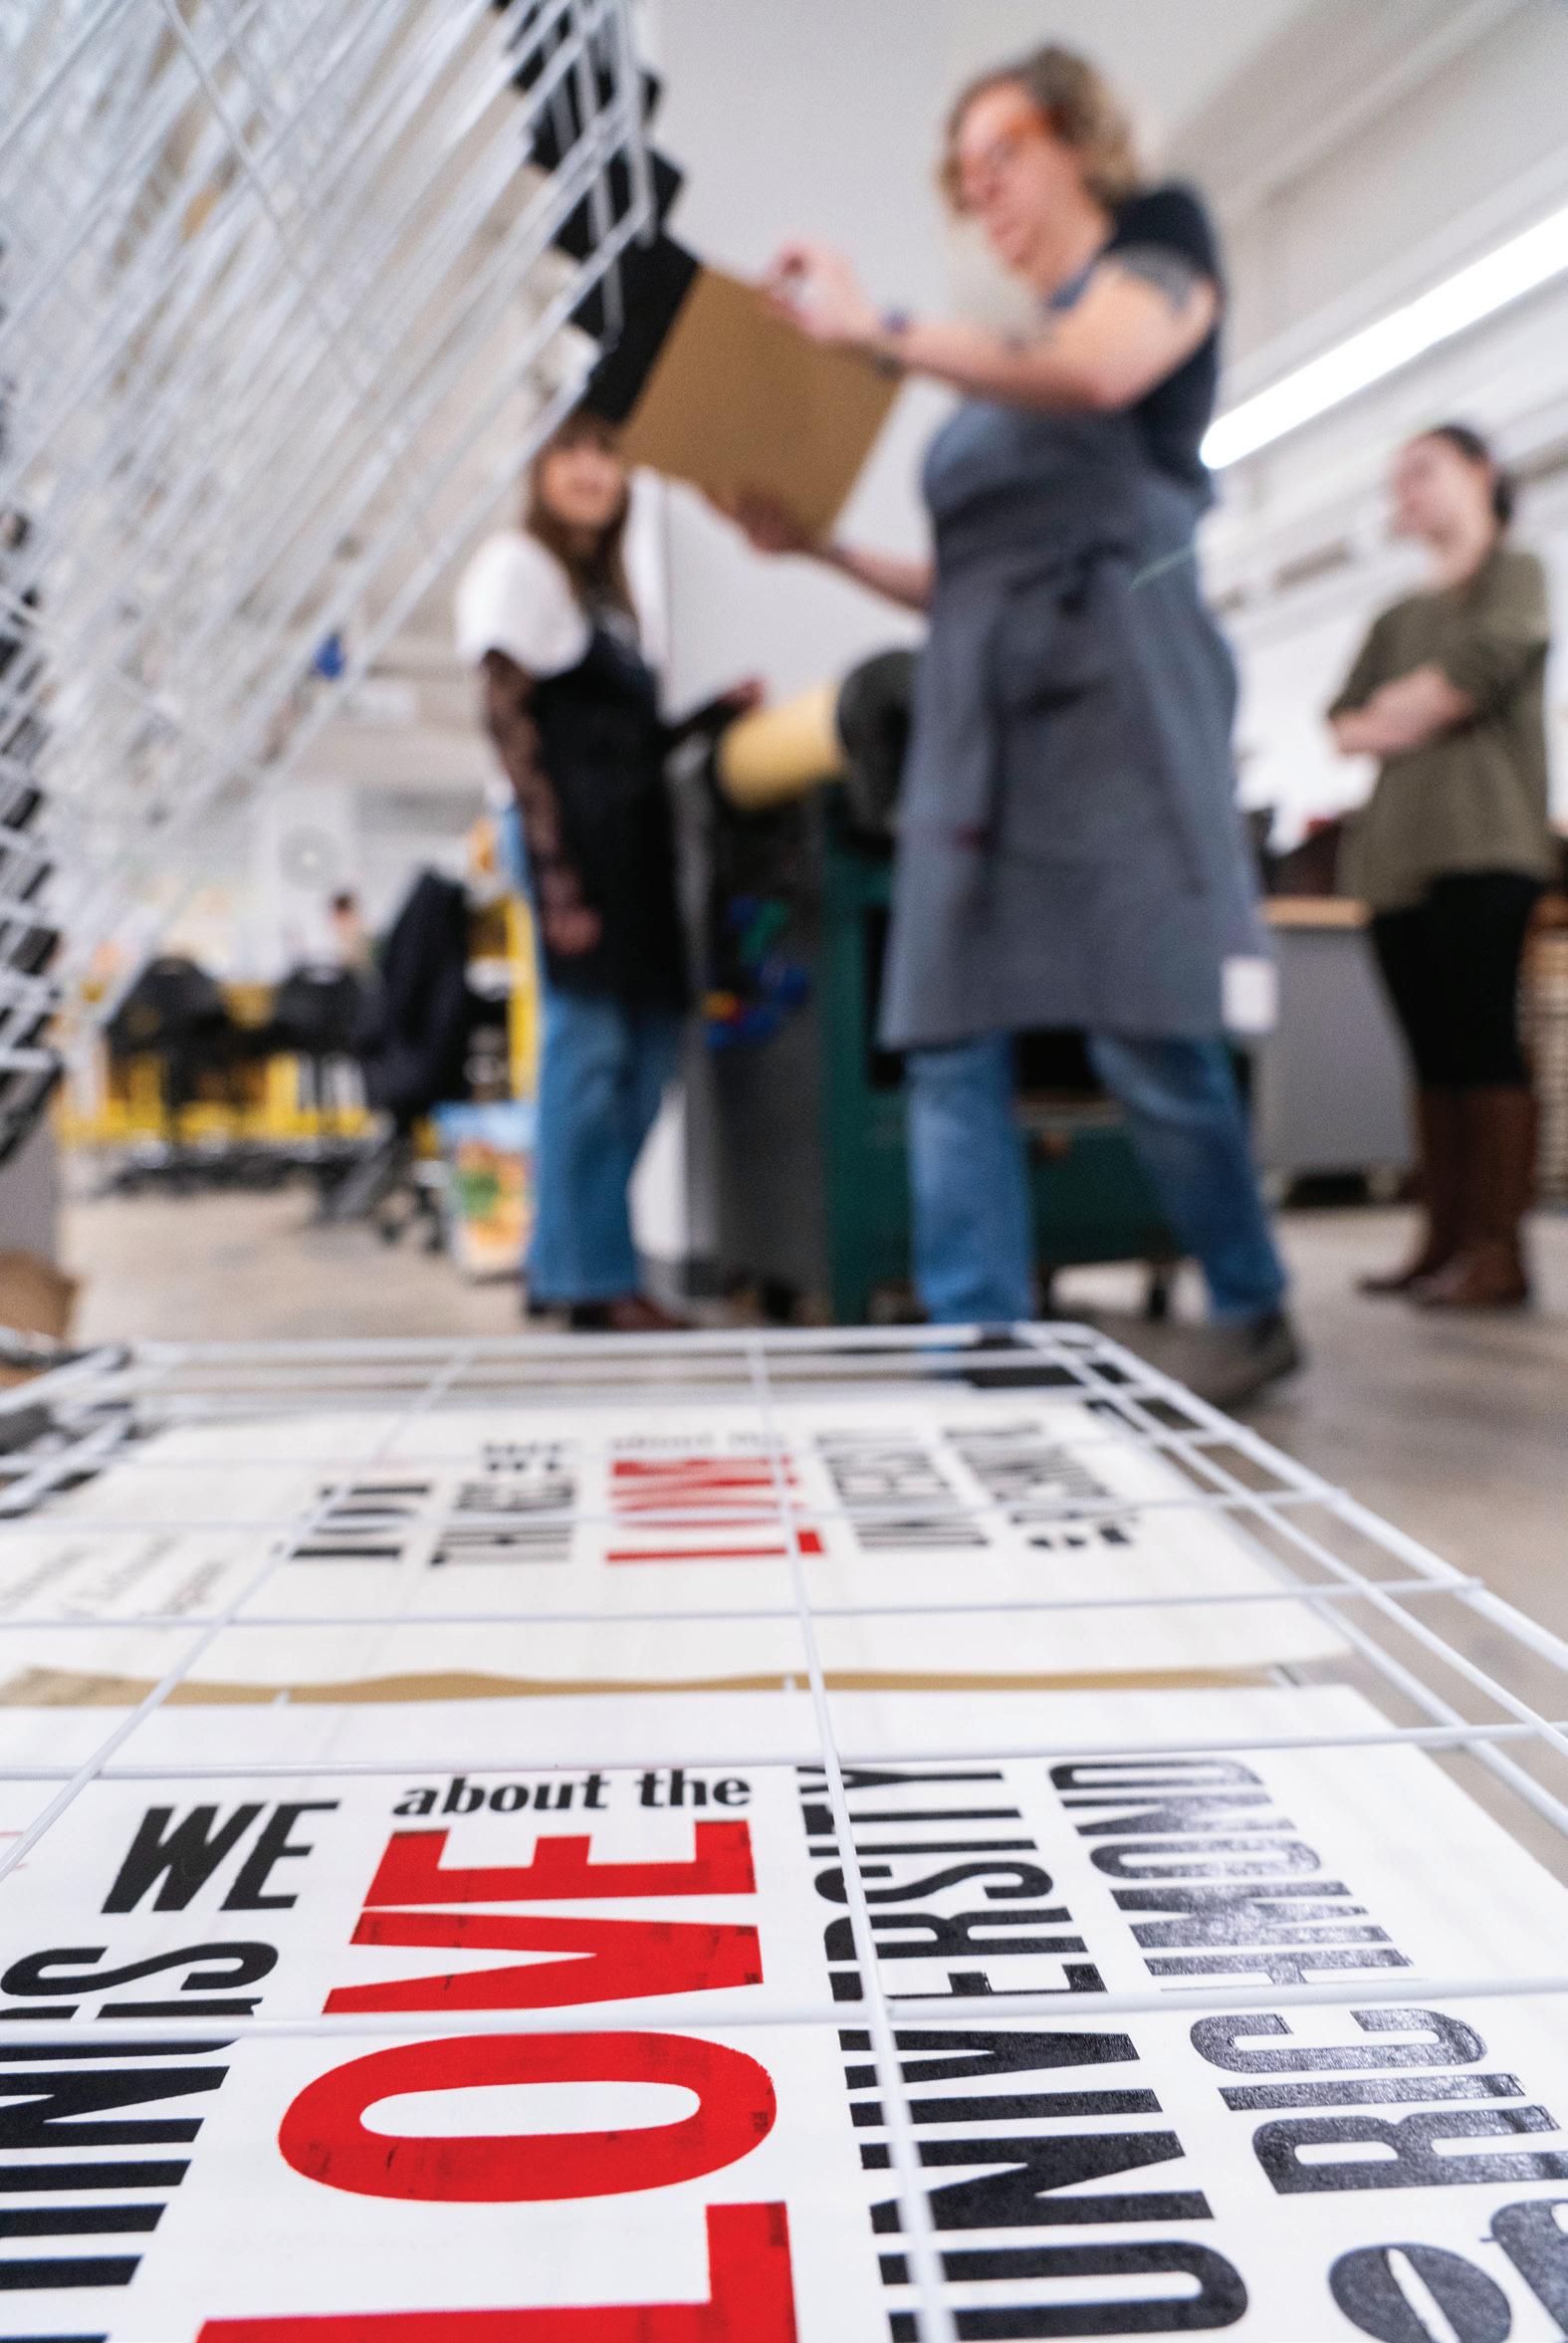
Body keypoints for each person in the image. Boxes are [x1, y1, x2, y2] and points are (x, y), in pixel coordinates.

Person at [730, 44, 1296, 1406]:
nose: (979, 188)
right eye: (962, 173)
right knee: (947, 1028)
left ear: (1079, 140)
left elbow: (1102, 371)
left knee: (1147, 1025)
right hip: (975, 720)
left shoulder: (1158, 254)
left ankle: (1251, 1299)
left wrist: (875, 330)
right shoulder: (999, 369)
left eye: (1004, 153)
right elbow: (962, 584)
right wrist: (817, 549)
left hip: (1114, 707)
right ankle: (973, 1345)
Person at [456, 409, 756, 1331]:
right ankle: (590, 1279)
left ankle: (569, 1260)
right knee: (589, 1057)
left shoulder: (610, 597)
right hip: (571, 846)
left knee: (650, 1049)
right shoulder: (518, 566)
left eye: (607, 453)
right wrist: (556, 874)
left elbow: (626, 741)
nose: (591, 470)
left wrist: (709, 716)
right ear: (540, 468)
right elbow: (507, 715)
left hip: (631, 846)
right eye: (572, 452)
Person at [1328, 425, 1554, 1309]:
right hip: (1393, 859)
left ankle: (1498, 1249)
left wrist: (1403, 709)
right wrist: (1414, 706)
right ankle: (1442, 1240)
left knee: (1481, 1041)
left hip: (1485, 845)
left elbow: (1478, 671)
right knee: (1427, 1052)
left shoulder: (1514, 574)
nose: (1406, 492)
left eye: (1422, 470)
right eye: (1396, 479)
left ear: (1479, 473)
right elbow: (1342, 722)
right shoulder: (1395, 616)